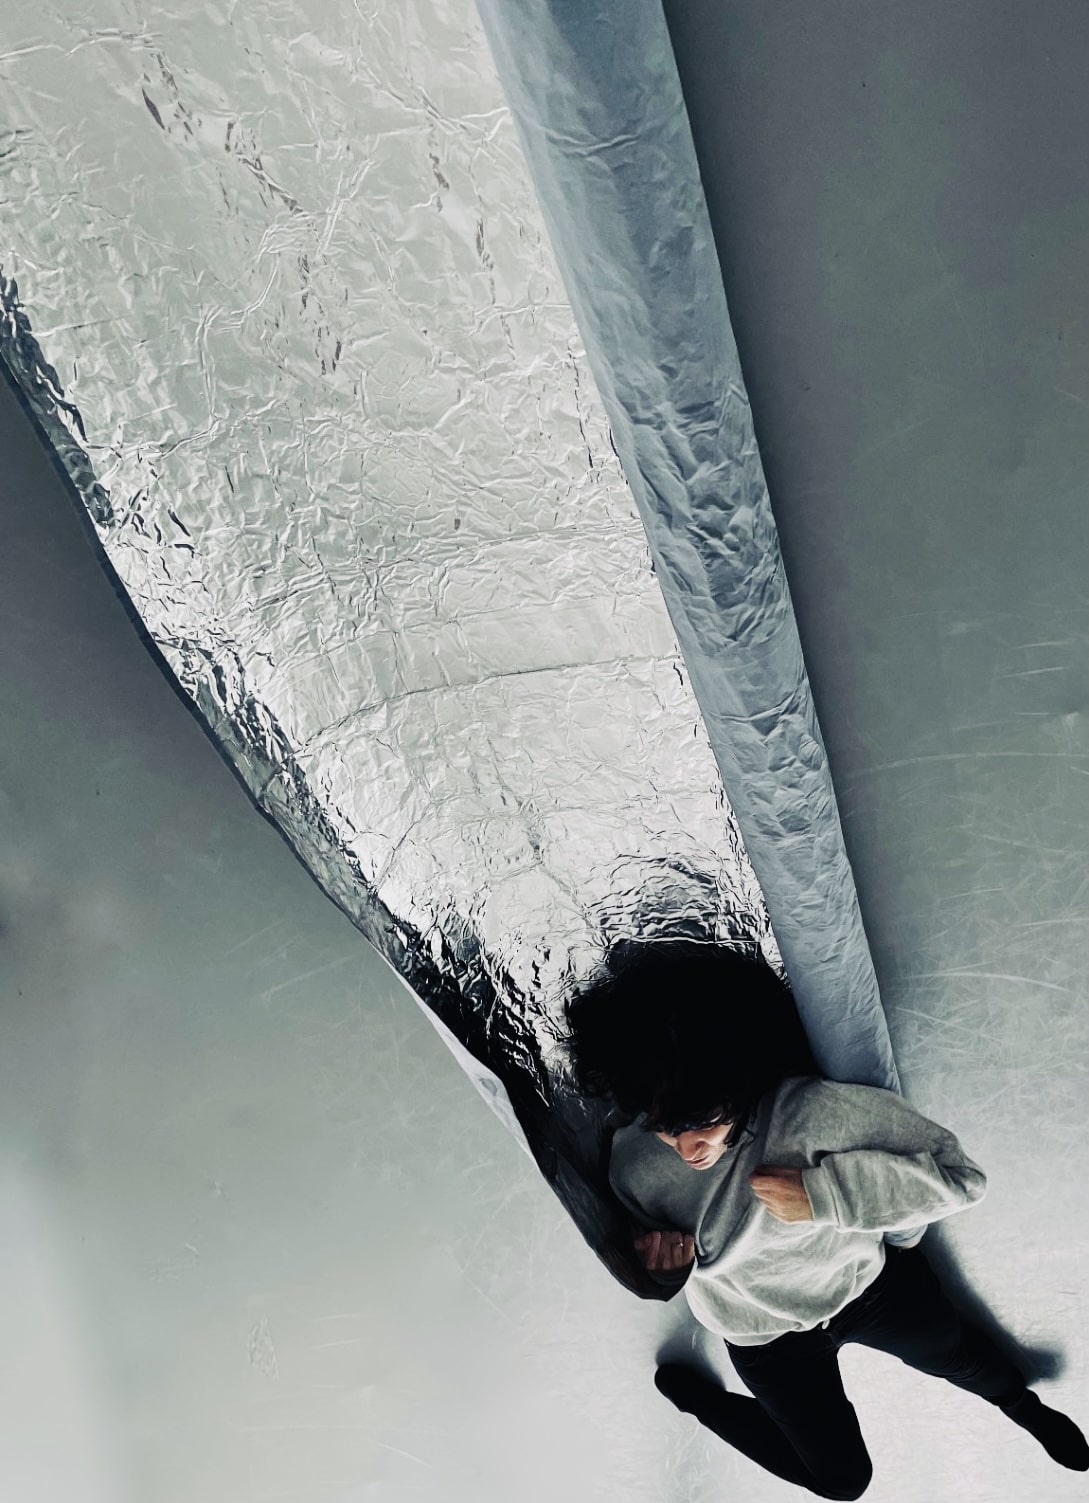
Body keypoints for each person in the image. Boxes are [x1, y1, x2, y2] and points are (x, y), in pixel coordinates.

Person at [565, 939, 1089, 1498]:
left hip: (865, 1288)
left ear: (736, 1082)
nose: (687, 1148)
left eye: (704, 1122)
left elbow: (962, 1178)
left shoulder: (812, 1111)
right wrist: (665, 1272)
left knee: (961, 1357)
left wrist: (823, 1196)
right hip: (762, 1336)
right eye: (667, 1129)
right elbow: (643, 1255)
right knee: (843, 1482)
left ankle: (1020, 1406)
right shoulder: (633, 1165)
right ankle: (701, 1404)